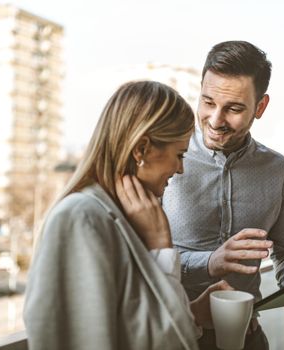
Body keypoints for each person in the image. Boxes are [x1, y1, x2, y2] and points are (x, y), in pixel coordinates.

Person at [162, 41, 284, 349]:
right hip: (173, 333)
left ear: (260, 107)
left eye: (233, 108)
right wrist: (210, 262)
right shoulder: (165, 156)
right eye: (207, 102)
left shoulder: (277, 170)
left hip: (247, 337)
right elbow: (140, 255)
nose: (216, 120)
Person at [24, 81, 231, 350]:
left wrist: (192, 313)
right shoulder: (81, 218)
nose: (180, 169)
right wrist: (161, 247)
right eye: (179, 154)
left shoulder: (122, 218)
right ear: (141, 149)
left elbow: (134, 326)